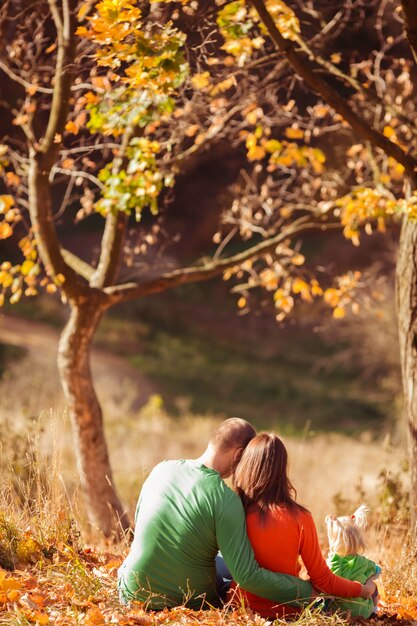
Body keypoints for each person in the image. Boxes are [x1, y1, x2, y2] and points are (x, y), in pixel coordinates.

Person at [117, 418, 315, 610]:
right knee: (230, 572)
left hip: (130, 592)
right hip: (188, 600)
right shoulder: (225, 499)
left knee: (221, 558)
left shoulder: (161, 469)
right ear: (239, 456)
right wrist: (307, 591)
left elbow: (141, 524)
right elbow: (247, 576)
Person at [230, 433, 376, 618]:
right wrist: (362, 590)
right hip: (285, 610)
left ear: (247, 465)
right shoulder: (300, 517)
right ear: (282, 469)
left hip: (240, 608)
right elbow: (323, 579)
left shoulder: (235, 510)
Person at [325, 504, 381, 617]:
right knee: (374, 587)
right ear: (357, 541)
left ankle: (325, 612)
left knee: (324, 594)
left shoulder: (332, 561)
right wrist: (369, 580)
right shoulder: (363, 562)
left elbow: (325, 581)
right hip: (363, 612)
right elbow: (377, 571)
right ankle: (374, 611)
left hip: (337, 612)